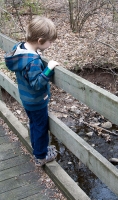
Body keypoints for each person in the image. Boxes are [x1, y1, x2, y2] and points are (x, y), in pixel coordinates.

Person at [4, 16, 59, 167]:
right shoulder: (33, 61)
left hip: (26, 99)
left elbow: (27, 68)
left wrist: (37, 55)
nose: (51, 44)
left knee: (34, 124)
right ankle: (41, 156)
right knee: (41, 127)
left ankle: (38, 149)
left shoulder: (20, 48)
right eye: (50, 42)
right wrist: (49, 68)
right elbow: (37, 84)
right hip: (36, 101)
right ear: (40, 41)